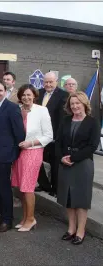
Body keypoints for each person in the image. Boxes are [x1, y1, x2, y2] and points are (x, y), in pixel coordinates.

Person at [56, 92, 99, 245]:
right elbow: (58, 141)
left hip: (83, 164)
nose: (74, 106)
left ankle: (81, 231)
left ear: (84, 104)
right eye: (72, 103)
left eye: (77, 103)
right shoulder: (66, 120)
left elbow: (92, 146)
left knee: (81, 199)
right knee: (68, 198)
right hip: (65, 163)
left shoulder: (92, 122)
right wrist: (62, 157)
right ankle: (71, 229)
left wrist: (73, 158)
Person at [11, 84, 53, 232]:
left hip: (33, 151)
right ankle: (24, 217)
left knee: (28, 187)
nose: (26, 97)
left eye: (29, 95)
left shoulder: (42, 110)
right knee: (22, 188)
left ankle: (31, 219)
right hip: (19, 153)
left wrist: (31, 143)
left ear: (34, 96)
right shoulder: (18, 110)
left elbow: (48, 136)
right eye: (23, 95)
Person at [0, 80, 25, 233]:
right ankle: (2, 216)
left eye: (0, 91)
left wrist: (13, 154)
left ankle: (7, 220)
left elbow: (19, 133)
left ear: (5, 91)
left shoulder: (12, 107)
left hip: (4, 156)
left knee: (3, 188)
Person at [36, 72, 69, 196]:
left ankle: (55, 189)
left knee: (55, 164)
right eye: (46, 82)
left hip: (54, 137)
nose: (48, 84)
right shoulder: (38, 93)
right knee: (37, 161)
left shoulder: (63, 95)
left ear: (56, 81)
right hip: (38, 135)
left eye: (51, 82)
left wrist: (56, 137)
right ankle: (44, 185)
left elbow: (61, 119)